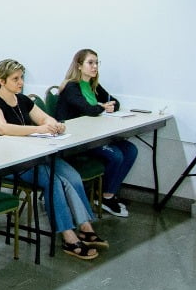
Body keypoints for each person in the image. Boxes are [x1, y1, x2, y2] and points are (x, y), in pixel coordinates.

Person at [0, 59, 106, 261]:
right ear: (1, 81)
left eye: (21, 78)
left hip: (32, 156)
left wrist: (54, 124)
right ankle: (68, 235)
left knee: (72, 175)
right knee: (55, 182)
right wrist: (38, 129)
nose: (20, 82)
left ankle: (84, 226)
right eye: (15, 79)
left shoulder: (21, 100)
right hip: (11, 163)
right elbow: (2, 129)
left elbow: (43, 117)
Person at [54, 48, 137, 217]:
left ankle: (108, 194)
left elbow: (114, 102)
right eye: (90, 63)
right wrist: (102, 107)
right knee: (116, 156)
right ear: (79, 66)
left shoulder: (93, 85)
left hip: (95, 135)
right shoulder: (72, 87)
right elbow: (88, 109)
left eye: (96, 63)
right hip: (78, 140)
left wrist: (109, 106)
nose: (94, 67)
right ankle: (105, 197)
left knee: (130, 150)